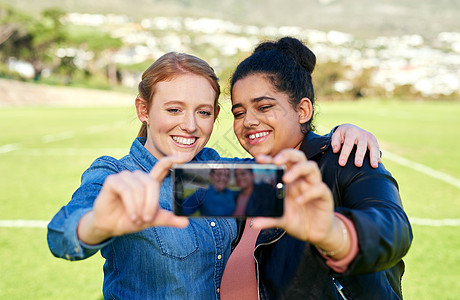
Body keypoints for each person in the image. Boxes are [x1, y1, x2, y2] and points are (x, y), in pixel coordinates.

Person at [47, 51, 382, 299]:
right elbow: (62, 237)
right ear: (144, 110)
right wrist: (97, 225)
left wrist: (341, 135)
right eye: (174, 109)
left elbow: (284, 161)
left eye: (203, 112)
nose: (190, 126)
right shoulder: (117, 174)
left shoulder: (213, 172)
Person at [223, 36, 413, 299]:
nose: (249, 121)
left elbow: (393, 229)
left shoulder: (345, 159)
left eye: (264, 107)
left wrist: (332, 233)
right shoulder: (245, 178)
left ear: (303, 111)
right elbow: (179, 180)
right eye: (238, 112)